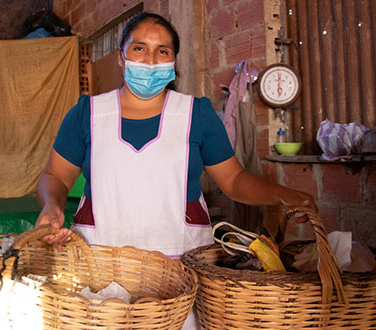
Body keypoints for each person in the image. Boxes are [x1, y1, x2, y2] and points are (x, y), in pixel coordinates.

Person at [34, 12, 315, 329]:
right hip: (99, 277)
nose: (150, 60)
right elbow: (55, 177)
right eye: (139, 48)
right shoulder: (87, 113)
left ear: (173, 60)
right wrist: (52, 204)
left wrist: (280, 194)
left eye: (162, 51)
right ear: (120, 57)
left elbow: (234, 181)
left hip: (179, 280)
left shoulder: (197, 115)